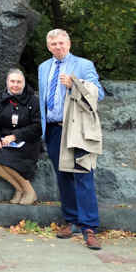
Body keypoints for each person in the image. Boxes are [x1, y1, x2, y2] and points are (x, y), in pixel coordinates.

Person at [38, 29, 105, 250]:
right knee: (63, 177)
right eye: (53, 44)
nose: (57, 47)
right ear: (48, 47)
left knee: (83, 175)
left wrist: (74, 84)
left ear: (69, 44)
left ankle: (89, 227)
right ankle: (73, 221)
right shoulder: (43, 67)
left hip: (77, 129)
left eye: (61, 43)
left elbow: (99, 94)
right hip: (54, 130)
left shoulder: (83, 65)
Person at [0, 68, 42, 205]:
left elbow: (38, 126)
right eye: (12, 81)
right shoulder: (0, 99)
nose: (15, 85)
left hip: (27, 142)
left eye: (19, 82)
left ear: (24, 83)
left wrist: (15, 136)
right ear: (7, 82)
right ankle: (19, 189)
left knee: (5, 158)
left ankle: (29, 191)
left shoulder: (33, 101)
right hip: (4, 142)